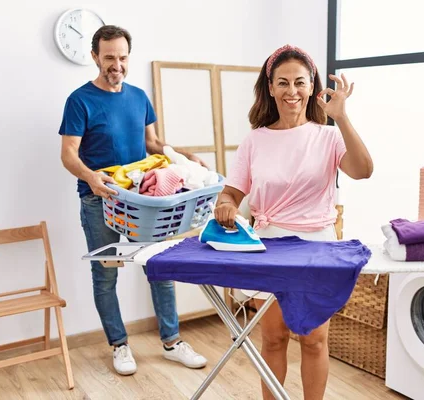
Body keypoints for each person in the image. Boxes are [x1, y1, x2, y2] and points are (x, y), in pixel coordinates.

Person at [214, 44, 373, 400]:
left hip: (318, 248)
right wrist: (225, 206)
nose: (291, 91)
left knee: (314, 340)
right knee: (273, 338)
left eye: (299, 82)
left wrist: (342, 117)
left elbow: (363, 171)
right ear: (270, 87)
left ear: (312, 86)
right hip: (269, 246)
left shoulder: (329, 136)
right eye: (283, 83)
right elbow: (231, 195)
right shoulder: (255, 141)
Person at [59, 25, 207, 376]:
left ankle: (172, 342)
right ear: (95, 56)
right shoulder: (79, 100)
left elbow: (153, 145)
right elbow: (68, 153)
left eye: (122, 57)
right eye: (109, 57)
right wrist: (91, 177)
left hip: (143, 202)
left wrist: (185, 156)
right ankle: (119, 345)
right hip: (101, 201)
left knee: (159, 267)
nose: (117, 64)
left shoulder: (139, 96)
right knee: (106, 274)